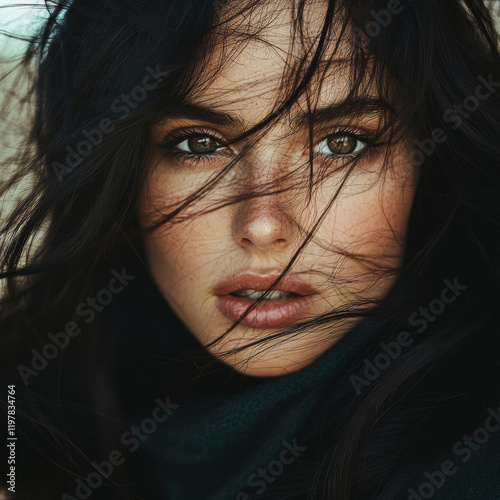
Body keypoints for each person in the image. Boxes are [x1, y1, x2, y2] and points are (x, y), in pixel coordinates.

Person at [1, 0, 499, 498]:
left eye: (341, 144)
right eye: (198, 145)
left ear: (430, 162)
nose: (262, 226)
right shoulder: (35, 403)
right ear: (122, 172)